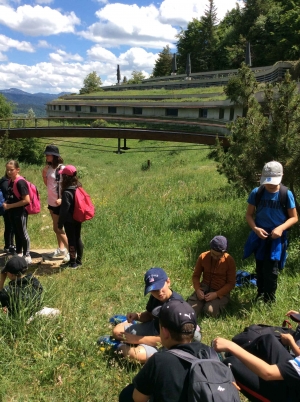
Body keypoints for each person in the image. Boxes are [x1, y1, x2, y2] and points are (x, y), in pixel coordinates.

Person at [119, 299, 202, 401]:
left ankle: (118, 347)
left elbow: (138, 399)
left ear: (164, 332)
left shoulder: (158, 361)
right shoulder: (210, 353)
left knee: (126, 395)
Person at [244, 161, 298, 302]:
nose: (270, 185)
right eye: (267, 182)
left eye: (273, 182)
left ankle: (269, 299)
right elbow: (249, 215)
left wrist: (280, 228)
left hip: (276, 239)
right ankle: (260, 293)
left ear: (281, 177)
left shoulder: (286, 194)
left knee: (271, 270)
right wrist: (255, 229)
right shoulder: (257, 193)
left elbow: (294, 218)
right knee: (260, 267)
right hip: (259, 237)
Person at [213, 319, 300, 402]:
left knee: (231, 363)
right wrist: (291, 342)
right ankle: (236, 355)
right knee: (268, 341)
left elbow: (268, 373)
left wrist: (231, 346)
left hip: (288, 397)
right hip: (293, 378)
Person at [112, 267, 184, 363]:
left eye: (160, 287)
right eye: (154, 290)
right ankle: (127, 328)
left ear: (168, 282)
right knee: (117, 331)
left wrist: (136, 340)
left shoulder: (177, 306)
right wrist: (137, 316)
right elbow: (150, 315)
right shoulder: (155, 297)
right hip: (153, 327)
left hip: (166, 343)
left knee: (136, 355)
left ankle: (116, 346)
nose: (159, 293)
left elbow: (169, 339)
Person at [187, 235, 236, 317]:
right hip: (204, 287)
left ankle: (216, 304)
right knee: (190, 310)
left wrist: (216, 294)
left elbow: (231, 283)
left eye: (219, 256)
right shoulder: (203, 256)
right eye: (213, 254)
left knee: (209, 311)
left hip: (220, 290)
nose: (215, 257)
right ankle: (200, 302)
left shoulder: (229, 261)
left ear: (224, 253)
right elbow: (196, 276)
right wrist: (198, 289)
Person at [42, 145, 69, 262]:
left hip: (59, 202)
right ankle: (61, 249)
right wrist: (43, 174)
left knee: (58, 228)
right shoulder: (48, 168)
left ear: (54, 156)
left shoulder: (62, 169)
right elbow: (47, 184)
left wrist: (63, 199)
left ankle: (72, 251)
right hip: (51, 202)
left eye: (48, 154)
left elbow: (68, 186)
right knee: (56, 227)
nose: (46, 156)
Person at [3, 160, 31, 265]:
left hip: (20, 212)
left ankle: (27, 255)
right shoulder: (10, 181)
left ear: (17, 169)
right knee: (16, 232)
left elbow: (26, 200)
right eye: (7, 170)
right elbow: (12, 196)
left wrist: (10, 206)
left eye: (12, 170)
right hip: (12, 212)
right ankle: (18, 253)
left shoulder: (20, 182)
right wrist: (6, 203)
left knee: (23, 233)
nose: (9, 172)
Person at [57, 165, 83, 269]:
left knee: (71, 240)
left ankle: (73, 263)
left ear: (66, 177)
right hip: (78, 218)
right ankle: (79, 261)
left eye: (63, 175)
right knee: (77, 238)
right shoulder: (78, 187)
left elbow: (64, 210)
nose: (62, 177)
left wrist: (60, 223)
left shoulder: (67, 192)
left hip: (69, 220)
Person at [0, 172, 15, 253]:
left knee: (11, 226)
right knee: (9, 226)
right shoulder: (5, 182)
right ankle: (8, 246)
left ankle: (11, 244)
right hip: (7, 207)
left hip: (9, 206)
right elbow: (7, 194)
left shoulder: (6, 181)